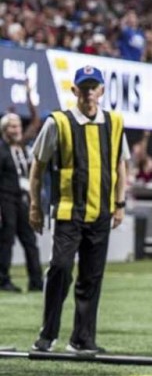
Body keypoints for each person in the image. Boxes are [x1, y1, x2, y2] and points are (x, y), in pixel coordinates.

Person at [28, 65, 129, 354]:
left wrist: (120, 203)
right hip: (68, 211)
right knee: (60, 269)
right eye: (83, 87)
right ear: (74, 90)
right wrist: (35, 205)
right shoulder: (58, 122)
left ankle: (82, 338)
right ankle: (47, 334)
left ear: (101, 90)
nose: (88, 92)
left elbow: (120, 165)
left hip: (101, 213)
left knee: (91, 277)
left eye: (93, 87)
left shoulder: (115, 123)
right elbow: (38, 165)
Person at [0, 84, 43, 293]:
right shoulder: (2, 150)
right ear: (4, 130)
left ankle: (36, 281)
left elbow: (35, 123)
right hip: (5, 199)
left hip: (23, 199)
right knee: (6, 240)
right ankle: (3, 280)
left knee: (30, 240)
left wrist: (29, 98)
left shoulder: (22, 145)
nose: (17, 130)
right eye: (12, 127)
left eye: (18, 126)